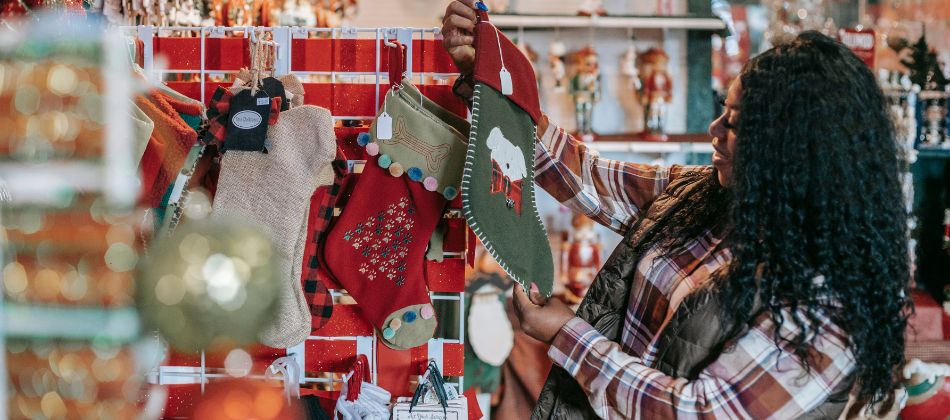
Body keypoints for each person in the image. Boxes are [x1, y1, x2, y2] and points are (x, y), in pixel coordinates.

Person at [441, 1, 912, 418]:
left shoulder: (827, 310)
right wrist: (493, 79)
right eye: (722, 111)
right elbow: (587, 177)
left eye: (735, 123)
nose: (714, 130)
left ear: (798, 148)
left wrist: (567, 334)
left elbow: (697, 411)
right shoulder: (706, 198)